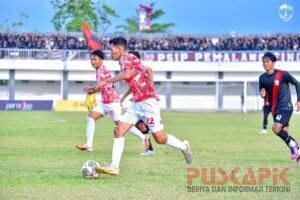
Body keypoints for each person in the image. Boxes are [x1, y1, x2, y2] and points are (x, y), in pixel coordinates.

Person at [94, 37, 192, 176]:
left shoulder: (128, 57)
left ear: (120, 49)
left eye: (111, 49)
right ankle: (114, 166)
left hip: (147, 104)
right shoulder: (124, 61)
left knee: (160, 138)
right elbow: (146, 71)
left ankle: (184, 146)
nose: (110, 53)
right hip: (136, 104)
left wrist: (106, 81)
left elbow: (128, 74)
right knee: (119, 131)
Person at [76, 49, 153, 154]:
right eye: (91, 59)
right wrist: (92, 90)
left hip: (112, 103)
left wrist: (90, 89)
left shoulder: (102, 71)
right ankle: (89, 145)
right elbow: (102, 87)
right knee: (90, 117)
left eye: (95, 59)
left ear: (101, 60)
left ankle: (143, 137)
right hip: (105, 102)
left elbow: (101, 86)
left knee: (121, 125)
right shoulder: (98, 71)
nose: (92, 61)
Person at [259, 52, 300, 163]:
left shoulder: (283, 74)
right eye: (263, 62)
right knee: (284, 133)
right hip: (275, 109)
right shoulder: (262, 78)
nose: (265, 64)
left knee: (275, 128)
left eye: (267, 62)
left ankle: (293, 146)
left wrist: (299, 100)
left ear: (273, 63)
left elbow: (297, 83)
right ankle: (298, 151)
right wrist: (263, 96)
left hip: (286, 106)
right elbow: (264, 95)